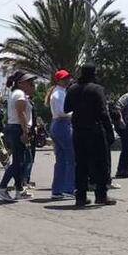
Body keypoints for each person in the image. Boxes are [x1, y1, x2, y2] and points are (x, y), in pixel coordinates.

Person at [64, 65, 116, 207]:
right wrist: (110, 132)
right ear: (93, 74)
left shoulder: (72, 88)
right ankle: (101, 195)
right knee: (101, 163)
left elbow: (66, 108)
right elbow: (103, 113)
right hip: (95, 130)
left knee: (81, 164)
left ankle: (80, 196)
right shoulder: (97, 89)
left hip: (78, 131)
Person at [0, 71, 37, 202]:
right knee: (18, 161)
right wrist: (25, 132)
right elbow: (21, 114)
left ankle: (19, 190)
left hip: (15, 127)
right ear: (20, 83)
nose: (32, 85)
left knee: (19, 160)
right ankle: (1, 187)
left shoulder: (18, 94)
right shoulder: (19, 94)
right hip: (17, 128)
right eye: (29, 82)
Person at [46, 70, 75, 200]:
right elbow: (62, 112)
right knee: (71, 158)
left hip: (58, 125)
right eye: (64, 79)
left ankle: (57, 190)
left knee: (62, 160)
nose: (67, 80)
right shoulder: (58, 94)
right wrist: (75, 112)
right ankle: (69, 188)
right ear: (58, 80)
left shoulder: (60, 92)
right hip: (63, 124)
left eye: (68, 78)